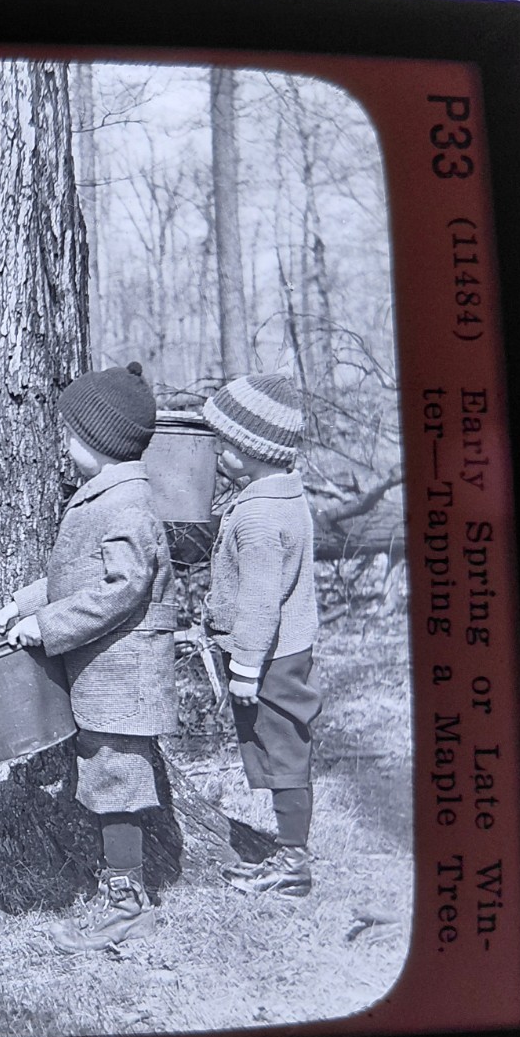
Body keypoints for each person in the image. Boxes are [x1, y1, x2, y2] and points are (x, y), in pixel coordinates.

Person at [0, 362, 180, 953]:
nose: (64, 446)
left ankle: (128, 907)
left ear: (98, 444)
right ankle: (127, 897)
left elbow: (118, 590)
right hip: (105, 676)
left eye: (71, 435)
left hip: (124, 679)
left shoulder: (125, 506)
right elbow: (74, 575)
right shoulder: (107, 497)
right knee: (107, 780)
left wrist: (44, 627)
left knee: (116, 783)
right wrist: (25, 603)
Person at [201, 372, 322, 897]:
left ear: (249, 452)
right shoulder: (285, 498)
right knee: (281, 749)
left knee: (285, 754)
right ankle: (288, 854)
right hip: (286, 650)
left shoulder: (257, 517)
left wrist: (246, 666)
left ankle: (294, 862)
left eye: (225, 445)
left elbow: (258, 601)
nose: (218, 453)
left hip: (270, 657)